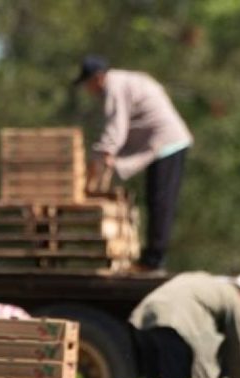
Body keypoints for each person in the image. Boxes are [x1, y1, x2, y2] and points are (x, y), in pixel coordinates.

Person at [74, 56, 192, 272]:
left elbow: (116, 128)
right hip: (161, 143)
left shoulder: (114, 87)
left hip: (167, 142)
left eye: (87, 84)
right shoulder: (123, 81)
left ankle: (153, 260)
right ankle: (152, 258)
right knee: (156, 200)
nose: (87, 90)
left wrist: (102, 154)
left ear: (98, 78)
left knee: (160, 202)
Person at [128, 271, 240, 378]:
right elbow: (238, 348)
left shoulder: (208, 282)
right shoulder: (235, 298)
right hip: (175, 323)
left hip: (145, 317)